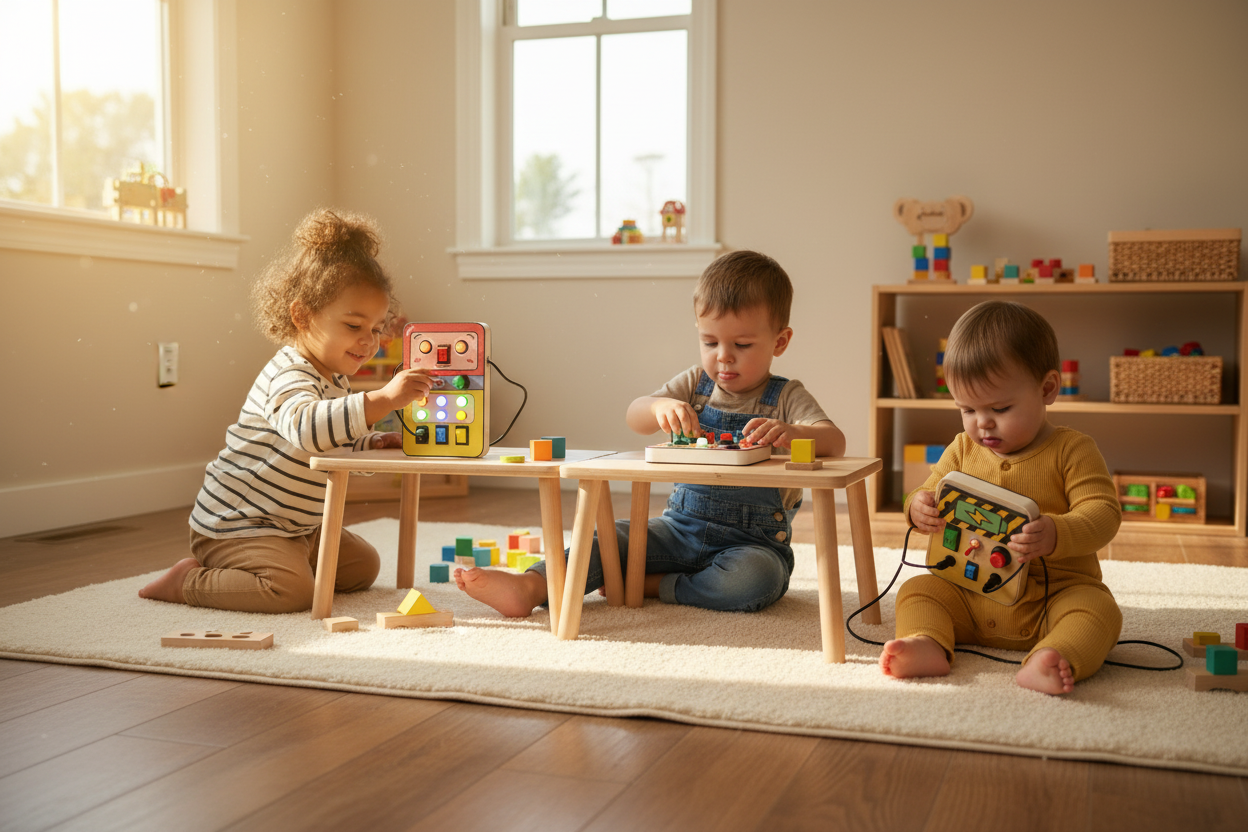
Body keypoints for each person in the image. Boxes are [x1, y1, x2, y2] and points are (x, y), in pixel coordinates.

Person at [456, 250, 845, 616]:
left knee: (757, 581)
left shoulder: (786, 396)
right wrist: (660, 406)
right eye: (709, 342)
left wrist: (792, 433)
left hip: (750, 544)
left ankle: (658, 585)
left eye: (742, 344)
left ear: (780, 341)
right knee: (609, 538)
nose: (722, 356)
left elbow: (834, 441)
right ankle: (531, 587)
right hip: (678, 528)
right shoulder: (696, 385)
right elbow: (635, 415)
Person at [139, 208, 432, 612]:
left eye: (377, 328)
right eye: (353, 326)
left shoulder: (335, 379)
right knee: (291, 593)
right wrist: (381, 400)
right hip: (238, 525)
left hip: (297, 527)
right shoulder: (289, 374)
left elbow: (332, 446)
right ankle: (187, 580)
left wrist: (373, 442)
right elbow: (309, 430)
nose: (370, 341)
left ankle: (293, 559)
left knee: (364, 567)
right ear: (302, 315)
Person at [880, 300, 1122, 694]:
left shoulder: (1073, 450)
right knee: (918, 590)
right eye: (967, 409)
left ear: (1047, 389)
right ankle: (928, 643)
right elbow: (927, 490)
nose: (982, 423)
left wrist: (1057, 532)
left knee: (1099, 611)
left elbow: (1103, 513)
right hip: (968, 595)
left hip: (1051, 597)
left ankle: (1053, 655)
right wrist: (916, 507)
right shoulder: (961, 448)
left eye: (1000, 407)